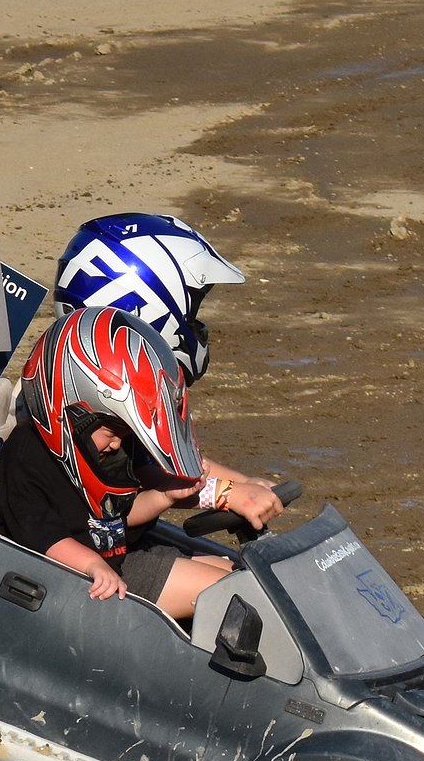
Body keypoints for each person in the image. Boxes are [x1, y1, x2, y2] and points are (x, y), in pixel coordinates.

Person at [0, 306, 232, 622]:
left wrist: (165, 496)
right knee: (229, 595)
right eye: (111, 433)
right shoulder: (26, 458)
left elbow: (120, 514)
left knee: (236, 574)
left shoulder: (94, 451)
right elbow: (44, 538)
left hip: (120, 558)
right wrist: (93, 565)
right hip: (77, 581)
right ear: (69, 411)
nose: (117, 444)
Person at [54, 213, 283, 535]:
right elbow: (141, 475)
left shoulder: (102, 385)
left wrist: (244, 483)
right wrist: (225, 493)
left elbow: (164, 458)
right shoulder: (96, 399)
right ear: (145, 308)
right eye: (190, 313)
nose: (195, 326)